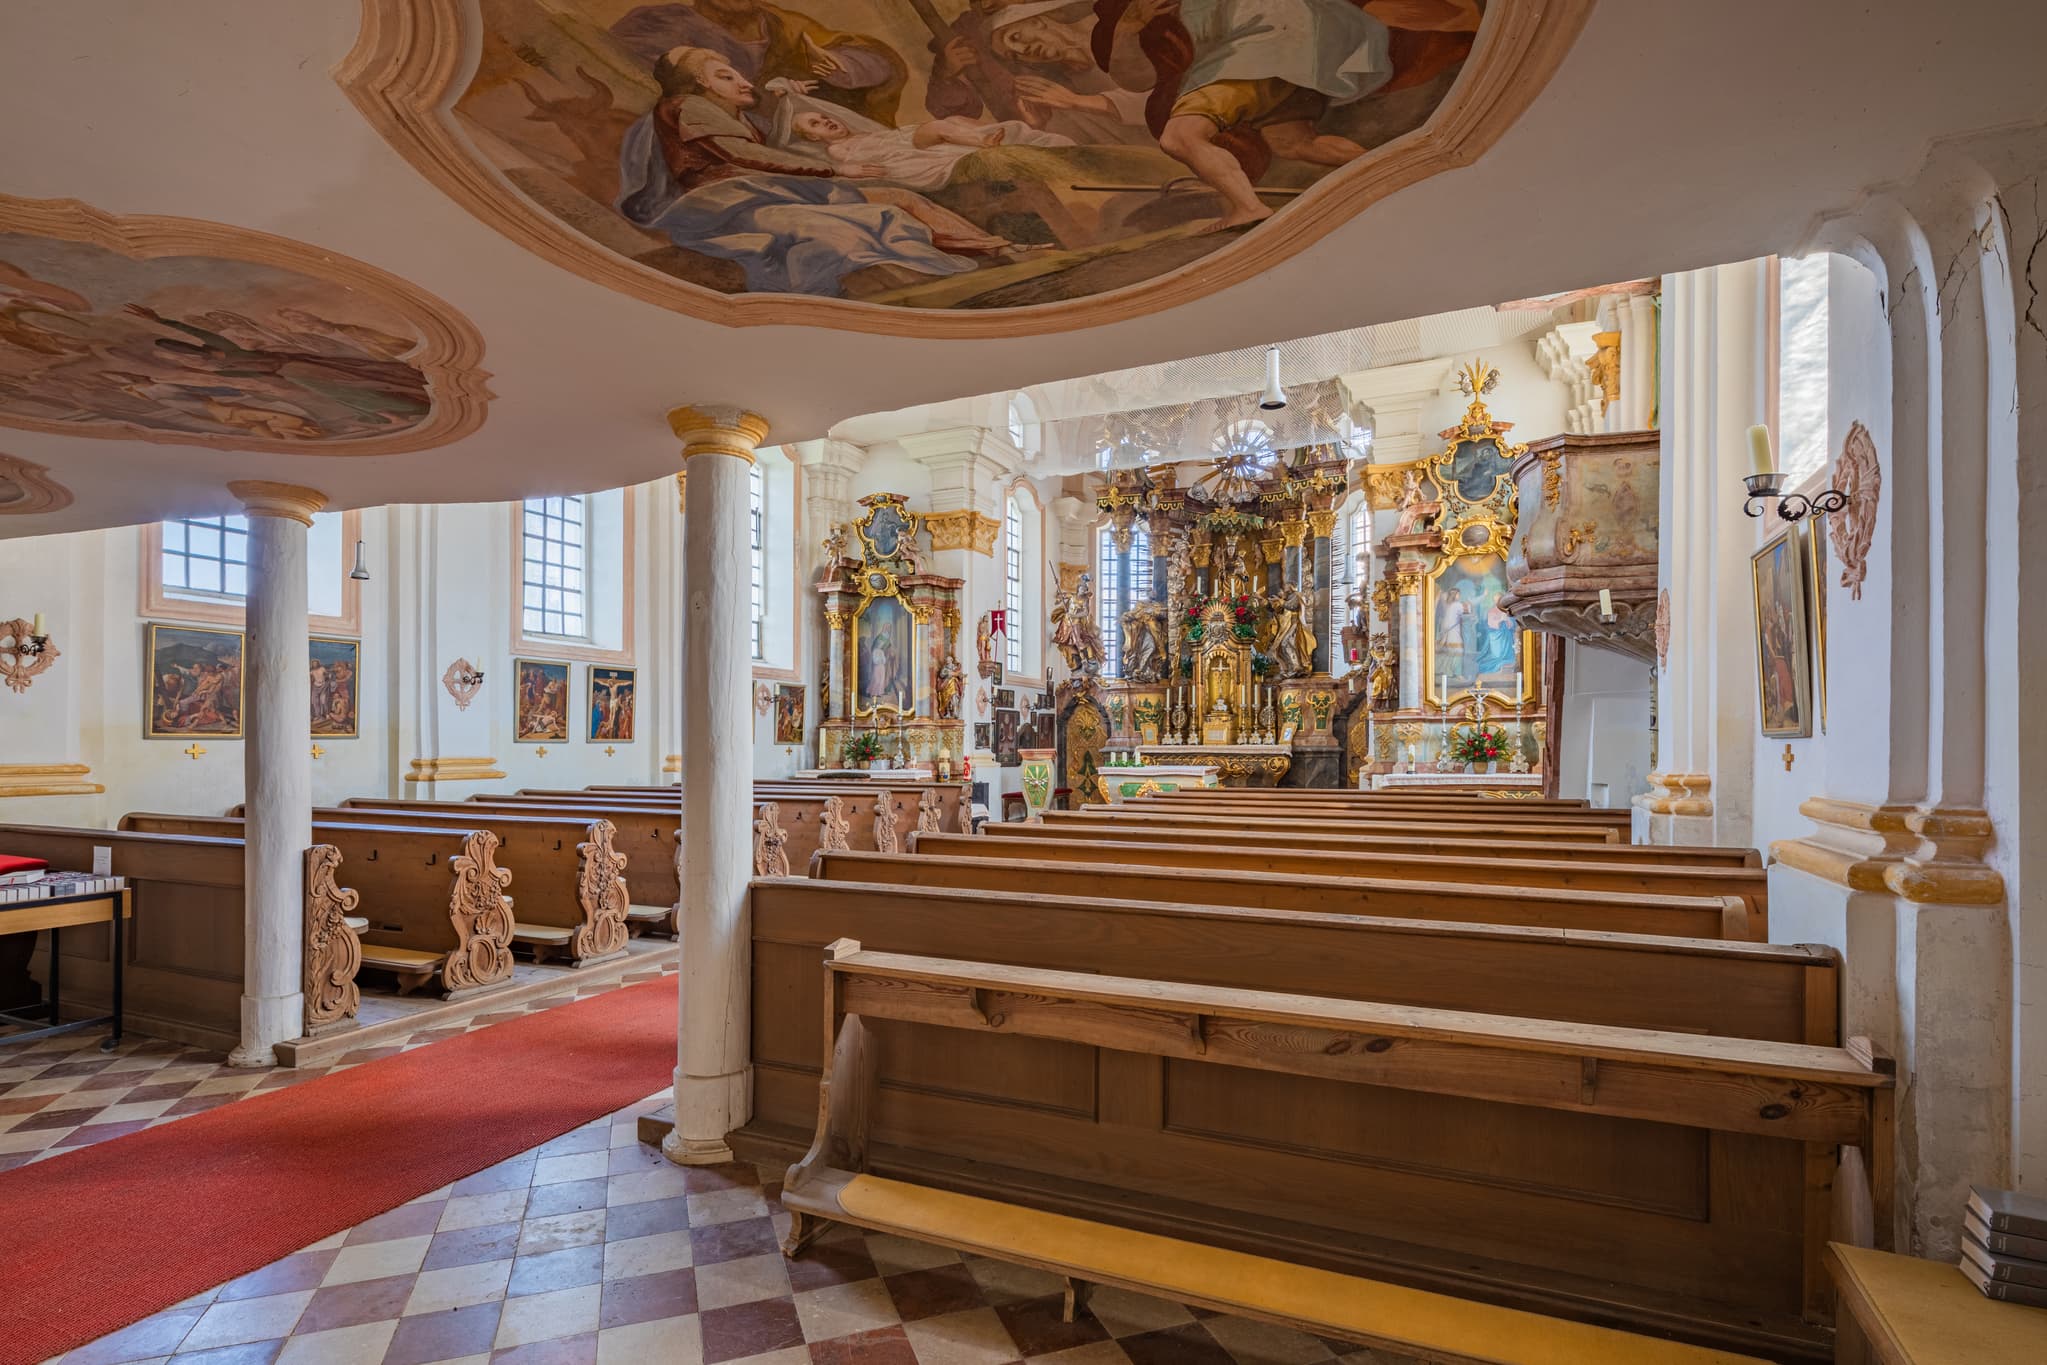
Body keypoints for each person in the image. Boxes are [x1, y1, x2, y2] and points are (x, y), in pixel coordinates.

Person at [617, 47, 983, 296]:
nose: (744, 81)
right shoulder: (688, 106)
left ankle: (990, 247)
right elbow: (744, 154)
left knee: (895, 200)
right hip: (725, 206)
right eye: (727, 77)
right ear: (700, 83)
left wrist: (786, 103)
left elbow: (769, 151)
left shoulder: (734, 116)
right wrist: (833, 167)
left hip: (761, 193)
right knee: (862, 221)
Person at [1090, 0, 1394, 227]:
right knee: (1293, 142)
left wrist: (1128, 27)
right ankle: (1388, 167)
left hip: (1256, 50)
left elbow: (1134, 78)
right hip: (1298, 53)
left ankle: (1248, 208)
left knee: (1180, 137)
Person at [610, 0, 908, 124]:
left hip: (799, 135)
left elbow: (877, 60)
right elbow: (631, 75)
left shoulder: (781, 24)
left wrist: (844, 66)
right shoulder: (661, 23)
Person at [776, 93, 1074, 194]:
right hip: (906, 157)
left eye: (823, 117)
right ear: (814, 138)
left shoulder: (862, 133)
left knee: (954, 119)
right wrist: (846, 167)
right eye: (815, 124)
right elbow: (841, 165)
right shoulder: (836, 149)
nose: (826, 121)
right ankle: (984, 143)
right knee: (937, 127)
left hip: (909, 143)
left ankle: (1002, 137)